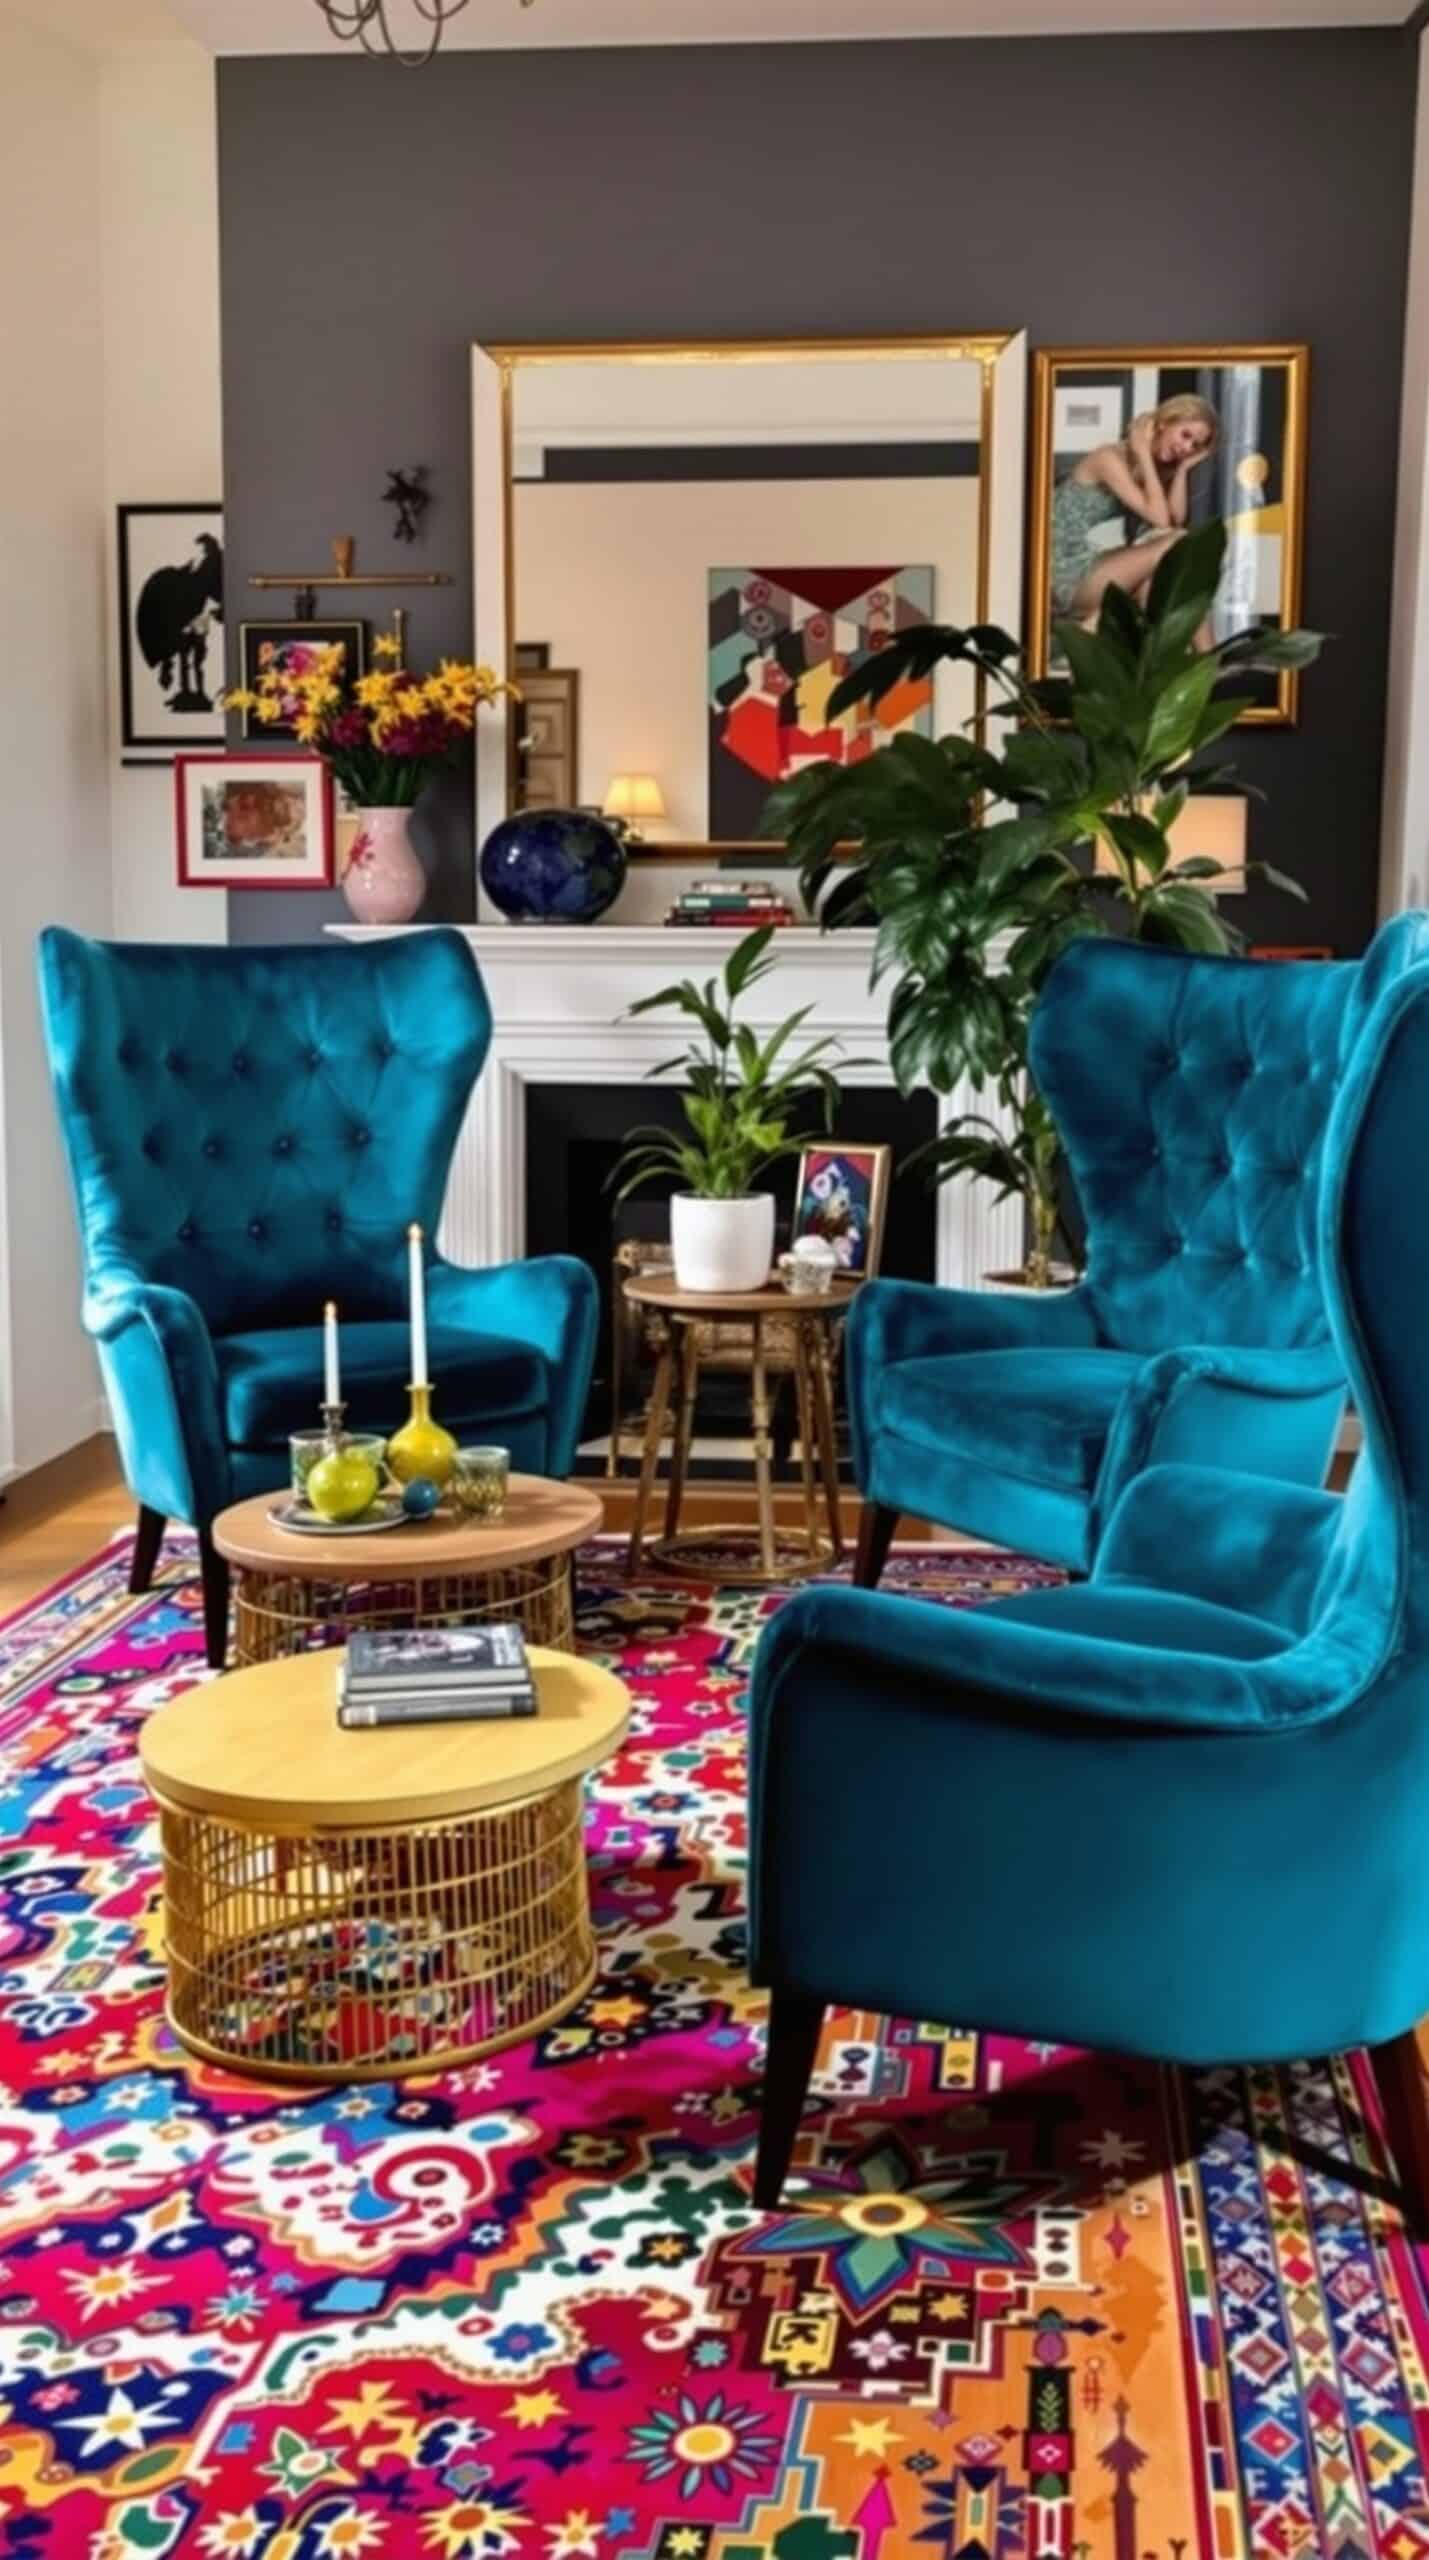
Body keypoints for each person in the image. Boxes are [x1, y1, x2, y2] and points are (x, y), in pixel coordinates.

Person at [1049, 392, 1220, 632]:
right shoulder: (1108, 458)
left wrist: (1182, 470)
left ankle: (1202, 656)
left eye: (1195, 445)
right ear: (1164, 423)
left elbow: (1175, 519)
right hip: (1062, 572)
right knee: (1178, 543)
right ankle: (1210, 654)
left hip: (1091, 564)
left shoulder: (1148, 471)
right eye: (1185, 435)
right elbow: (1163, 523)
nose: (1186, 447)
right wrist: (1142, 451)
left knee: (1157, 581)